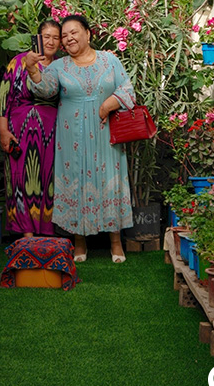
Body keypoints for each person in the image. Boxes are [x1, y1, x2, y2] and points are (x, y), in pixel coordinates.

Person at [25, 14, 134, 263]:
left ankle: (116, 243)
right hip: (70, 135)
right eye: (64, 36)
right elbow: (46, 89)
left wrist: (108, 104)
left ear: (88, 33)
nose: (68, 38)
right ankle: (79, 243)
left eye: (73, 32)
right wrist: (33, 69)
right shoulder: (59, 67)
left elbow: (128, 90)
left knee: (110, 179)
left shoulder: (110, 60)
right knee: (75, 179)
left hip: (106, 134)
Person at [0, 20, 62, 237]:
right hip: (19, 131)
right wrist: (3, 131)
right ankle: (26, 233)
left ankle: (48, 230)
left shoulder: (61, 66)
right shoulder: (18, 62)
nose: (50, 41)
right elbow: (3, 99)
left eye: (55, 37)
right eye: (46, 36)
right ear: (38, 38)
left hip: (51, 133)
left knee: (49, 177)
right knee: (20, 177)